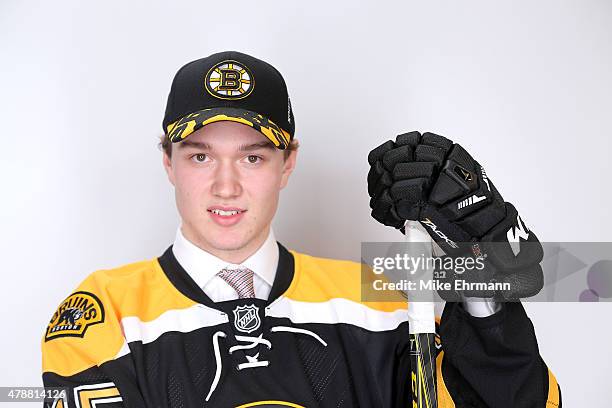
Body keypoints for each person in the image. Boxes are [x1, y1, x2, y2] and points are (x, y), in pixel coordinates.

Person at [41, 51, 561, 407]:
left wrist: (484, 291)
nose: (226, 187)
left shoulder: (381, 302)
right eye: (201, 156)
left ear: (287, 164)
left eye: (252, 157)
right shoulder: (104, 313)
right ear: (168, 162)